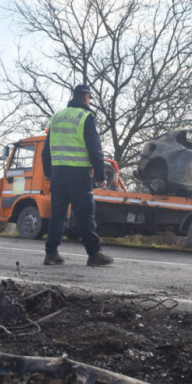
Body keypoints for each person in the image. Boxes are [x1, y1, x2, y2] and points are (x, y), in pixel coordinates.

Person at [41, 84, 114, 266]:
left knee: (57, 214)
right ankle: (94, 254)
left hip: (58, 174)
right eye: (89, 98)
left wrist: (49, 173)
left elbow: (46, 150)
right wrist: (100, 175)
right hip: (80, 175)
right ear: (85, 97)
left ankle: (51, 254)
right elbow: (95, 150)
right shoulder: (86, 117)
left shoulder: (56, 118)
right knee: (85, 215)